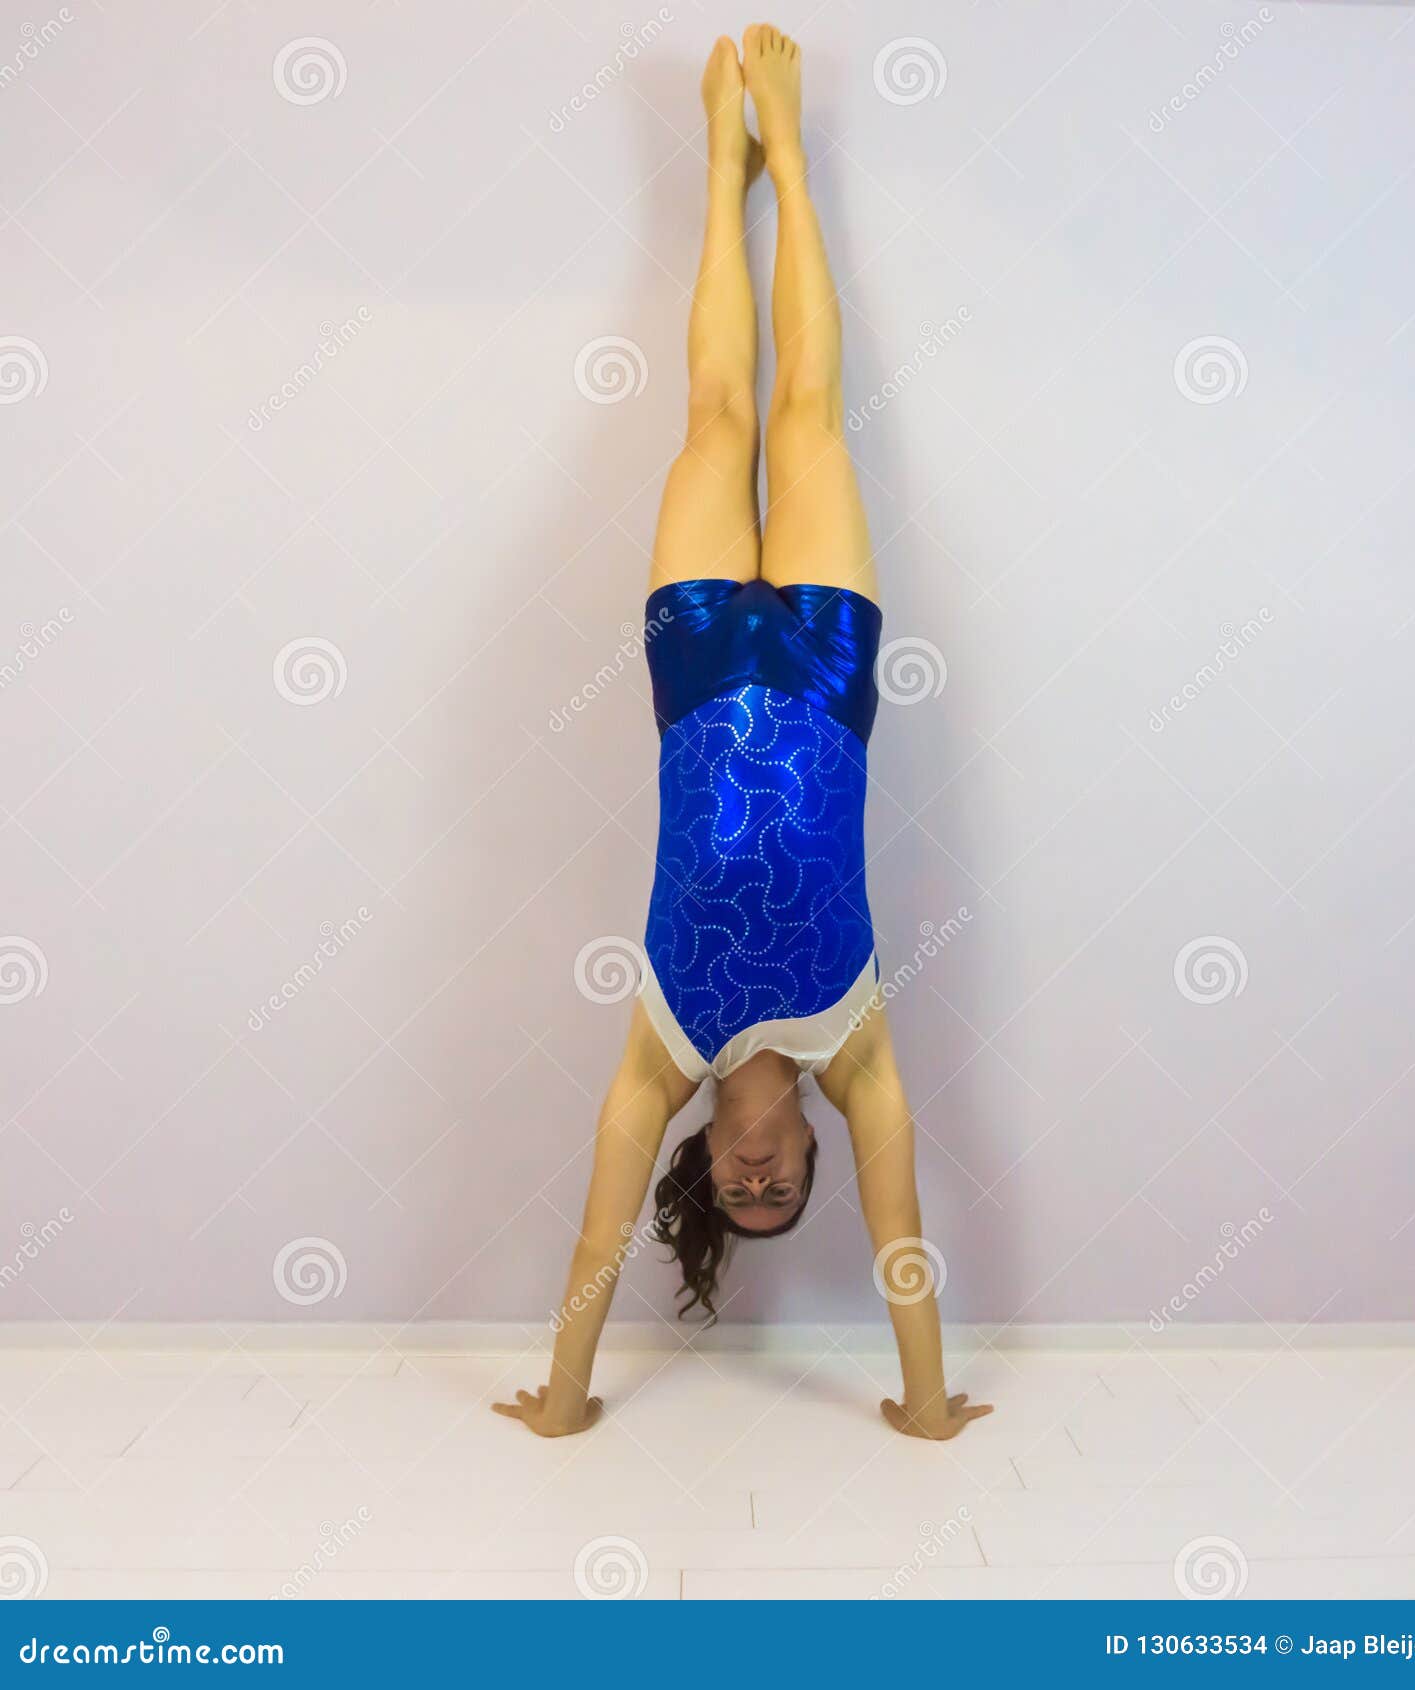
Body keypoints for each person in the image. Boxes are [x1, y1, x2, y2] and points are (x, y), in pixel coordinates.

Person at [496, 27, 992, 1442]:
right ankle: (787, 152)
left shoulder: (660, 1047)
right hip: (829, 678)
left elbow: (594, 1246)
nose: (763, 1182)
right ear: (807, 1156)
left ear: (708, 1159)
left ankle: (723, 171)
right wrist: (921, 1401)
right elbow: (906, 1247)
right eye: (786, 1191)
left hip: (700, 672)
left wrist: (564, 1401)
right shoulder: (856, 1047)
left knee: (716, 416)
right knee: (808, 415)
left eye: (741, 1192)